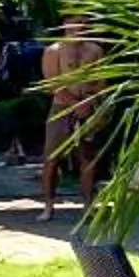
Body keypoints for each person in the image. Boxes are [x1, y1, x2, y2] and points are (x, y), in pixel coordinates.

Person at [38, 14, 104, 217]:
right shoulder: (54, 50)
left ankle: (88, 205)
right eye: (76, 21)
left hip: (88, 107)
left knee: (88, 158)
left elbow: (102, 82)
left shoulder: (95, 50)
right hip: (61, 108)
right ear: (65, 24)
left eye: (84, 21)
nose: (81, 25)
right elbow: (53, 84)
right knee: (52, 158)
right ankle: (48, 205)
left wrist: (89, 102)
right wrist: (74, 104)